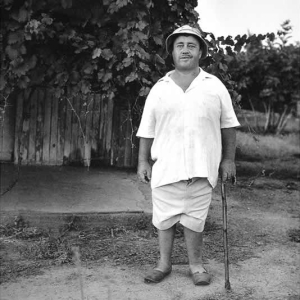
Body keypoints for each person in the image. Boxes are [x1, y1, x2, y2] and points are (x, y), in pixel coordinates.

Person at [136, 25, 240, 286]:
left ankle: (196, 265)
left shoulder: (214, 86)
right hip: (166, 167)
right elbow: (146, 130)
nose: (185, 50)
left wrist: (228, 159)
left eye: (191, 45)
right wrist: (142, 161)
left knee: (195, 219)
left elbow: (228, 125)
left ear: (201, 52)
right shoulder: (160, 88)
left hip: (201, 169)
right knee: (164, 218)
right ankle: (164, 264)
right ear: (171, 52)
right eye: (179, 45)